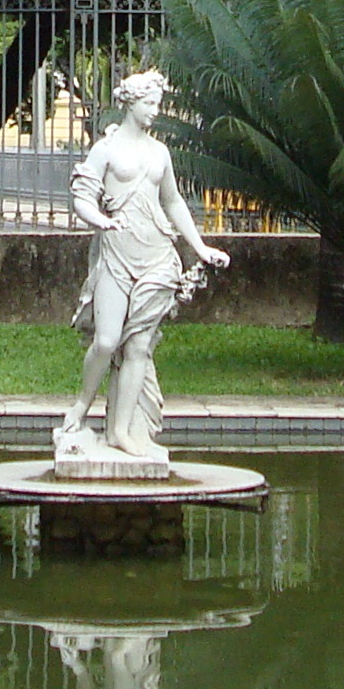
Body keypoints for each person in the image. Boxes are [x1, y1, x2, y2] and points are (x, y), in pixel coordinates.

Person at [56, 70, 230, 464]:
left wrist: (200, 247)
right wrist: (100, 220)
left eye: (158, 104)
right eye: (149, 103)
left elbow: (173, 202)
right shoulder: (106, 150)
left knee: (138, 346)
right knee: (106, 341)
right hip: (117, 256)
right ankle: (81, 406)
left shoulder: (159, 153)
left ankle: (120, 431)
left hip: (157, 257)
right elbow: (82, 196)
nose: (155, 111)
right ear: (130, 103)